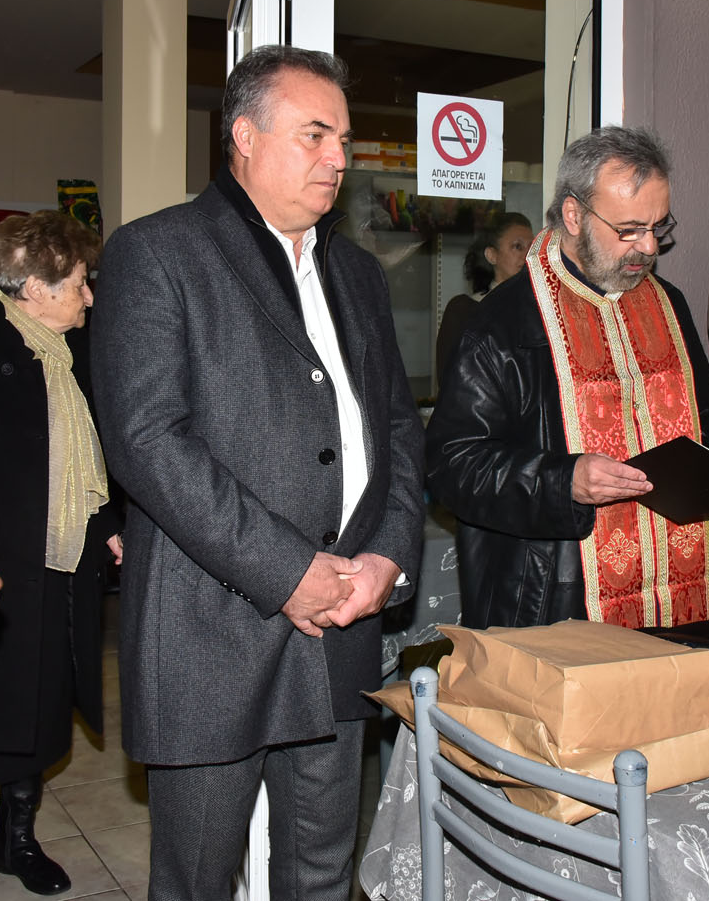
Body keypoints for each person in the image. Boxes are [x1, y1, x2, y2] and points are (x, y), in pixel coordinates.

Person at [91, 44, 425, 901]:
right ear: (244, 135)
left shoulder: (357, 272)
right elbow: (147, 441)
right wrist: (288, 570)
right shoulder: (157, 252)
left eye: (343, 139)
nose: (338, 158)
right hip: (211, 629)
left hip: (342, 621)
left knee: (321, 872)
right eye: (315, 135)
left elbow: (396, 428)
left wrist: (387, 556)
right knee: (198, 879)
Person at [426, 127, 709, 629]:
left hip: (673, 596)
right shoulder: (501, 322)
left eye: (658, 226)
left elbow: (707, 422)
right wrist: (563, 481)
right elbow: (451, 467)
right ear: (573, 215)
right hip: (554, 600)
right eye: (629, 229)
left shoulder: (669, 304)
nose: (648, 247)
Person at [0, 211, 123, 900]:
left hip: (62, 562)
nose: (90, 296)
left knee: (43, 704)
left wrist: (109, 523)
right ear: (35, 287)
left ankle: (17, 839)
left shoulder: (74, 347)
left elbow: (95, 451)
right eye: (79, 283)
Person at [434, 212, 534, 386]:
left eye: (532, 248)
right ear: (491, 255)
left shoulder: (541, 310)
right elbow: (450, 381)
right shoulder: (464, 310)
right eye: (517, 247)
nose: (528, 256)